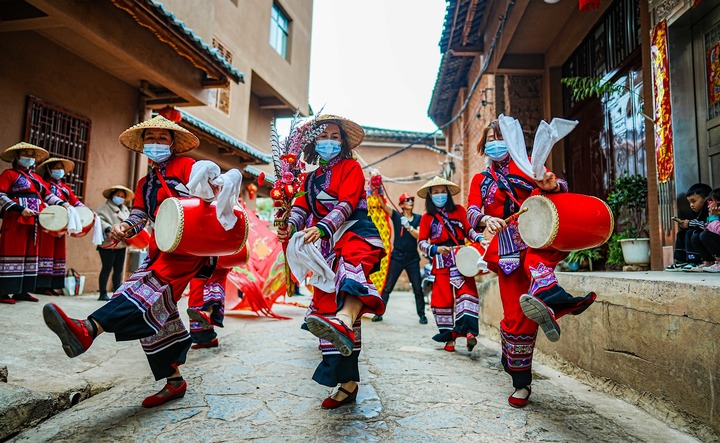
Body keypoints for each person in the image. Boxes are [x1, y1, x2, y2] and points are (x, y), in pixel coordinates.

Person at [43, 115, 230, 408]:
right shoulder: (145, 183)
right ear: (143, 145)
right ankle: (174, 381)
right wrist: (124, 227)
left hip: (189, 248)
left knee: (142, 293)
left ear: (172, 143)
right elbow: (140, 214)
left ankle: (88, 329)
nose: (156, 143)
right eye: (150, 138)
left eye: (162, 138)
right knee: (158, 309)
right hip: (160, 248)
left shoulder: (187, 166)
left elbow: (209, 196)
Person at [467, 120, 596, 408]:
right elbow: (472, 211)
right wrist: (486, 219)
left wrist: (552, 184)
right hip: (507, 250)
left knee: (537, 265)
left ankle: (553, 300)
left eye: (500, 137)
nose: (495, 142)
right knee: (516, 317)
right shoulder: (480, 180)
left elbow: (557, 186)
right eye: (490, 138)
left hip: (538, 238)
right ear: (484, 145)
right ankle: (520, 377)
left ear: (513, 140)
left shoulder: (528, 165)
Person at [277, 114, 386, 409]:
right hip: (324, 247)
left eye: (335, 136)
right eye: (323, 136)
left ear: (343, 142)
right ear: (313, 143)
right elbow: (301, 208)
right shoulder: (309, 178)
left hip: (355, 233)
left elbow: (347, 203)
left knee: (350, 274)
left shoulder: (351, 167)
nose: (329, 141)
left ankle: (345, 321)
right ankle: (347, 384)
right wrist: (289, 225)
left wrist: (323, 227)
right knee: (325, 307)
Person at [416, 176, 483, 353]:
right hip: (441, 261)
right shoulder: (426, 218)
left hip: (462, 259)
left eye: (443, 191)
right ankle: (449, 338)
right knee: (442, 300)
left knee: (467, 295)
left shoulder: (460, 210)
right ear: (430, 196)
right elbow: (421, 243)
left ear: (448, 193)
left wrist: (480, 239)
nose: (440, 195)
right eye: (436, 192)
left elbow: (469, 231)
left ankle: (469, 333)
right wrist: (435, 249)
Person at [0, 143, 70, 304]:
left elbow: (47, 195)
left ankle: (22, 291)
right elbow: (1, 194)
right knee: (12, 252)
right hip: (16, 218)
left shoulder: (37, 179)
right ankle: (3, 292)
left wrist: (62, 204)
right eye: (26, 153)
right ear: (17, 156)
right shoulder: (9, 174)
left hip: (34, 220)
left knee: (29, 254)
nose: (30, 157)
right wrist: (19, 208)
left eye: (32, 154)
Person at [35, 157, 87, 296]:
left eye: (61, 168)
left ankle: (52, 285)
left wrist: (87, 212)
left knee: (58, 253)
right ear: (48, 169)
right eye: (56, 168)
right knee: (46, 252)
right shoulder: (43, 184)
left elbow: (75, 202)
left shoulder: (65, 188)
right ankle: (41, 285)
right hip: (47, 222)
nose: (59, 170)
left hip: (61, 224)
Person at [373, 191, 427, 324]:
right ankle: (379, 313)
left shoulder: (418, 218)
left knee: (417, 288)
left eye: (412, 200)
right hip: (397, 256)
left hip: (412, 258)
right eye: (407, 200)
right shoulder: (397, 216)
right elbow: (383, 206)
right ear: (401, 204)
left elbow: (419, 235)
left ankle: (422, 315)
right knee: (388, 287)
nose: (411, 202)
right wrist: (378, 189)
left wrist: (408, 227)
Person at [95, 185, 133, 301]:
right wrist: (108, 229)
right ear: (112, 196)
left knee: (119, 269)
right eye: (118, 195)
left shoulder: (125, 209)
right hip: (108, 243)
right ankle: (102, 293)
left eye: (122, 196)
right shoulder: (104, 208)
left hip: (122, 244)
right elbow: (99, 220)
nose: (120, 197)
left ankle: (117, 292)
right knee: (106, 268)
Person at [665, 183, 712, 272]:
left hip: (709, 237)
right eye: (690, 202)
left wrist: (690, 223)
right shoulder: (697, 212)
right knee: (682, 232)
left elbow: (708, 225)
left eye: (694, 201)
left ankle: (694, 260)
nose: (691, 205)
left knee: (691, 233)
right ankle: (681, 260)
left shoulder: (711, 210)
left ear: (706, 198)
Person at [186, 267, 230, 349]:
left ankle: (206, 314)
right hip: (204, 264)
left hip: (214, 264)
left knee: (205, 291)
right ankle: (206, 339)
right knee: (199, 292)